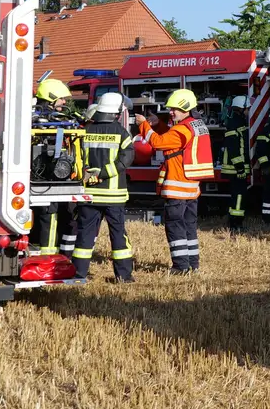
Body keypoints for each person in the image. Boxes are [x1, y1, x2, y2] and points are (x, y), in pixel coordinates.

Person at [134, 89, 211, 273]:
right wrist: (158, 124)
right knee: (189, 229)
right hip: (191, 188)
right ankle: (193, 264)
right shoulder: (195, 125)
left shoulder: (182, 129)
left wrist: (144, 125)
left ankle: (180, 267)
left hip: (177, 187)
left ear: (185, 108)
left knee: (175, 227)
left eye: (175, 109)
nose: (171, 112)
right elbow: (172, 138)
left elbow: (160, 143)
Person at [70, 91, 137, 282]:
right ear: (116, 112)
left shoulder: (86, 131)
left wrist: (92, 174)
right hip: (113, 195)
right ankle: (123, 276)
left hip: (89, 194)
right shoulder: (122, 133)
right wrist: (104, 172)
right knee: (118, 235)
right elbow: (126, 160)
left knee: (85, 236)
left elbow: (77, 160)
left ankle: (78, 275)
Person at [31, 78, 84, 257]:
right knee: (49, 216)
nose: (64, 103)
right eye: (61, 99)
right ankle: (49, 257)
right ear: (50, 97)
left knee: (58, 216)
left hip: (56, 173)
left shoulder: (57, 117)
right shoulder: (39, 118)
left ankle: (56, 254)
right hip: (46, 175)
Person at [219, 94, 250, 232]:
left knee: (238, 196)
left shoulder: (239, 122)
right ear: (241, 108)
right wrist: (240, 168)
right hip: (234, 169)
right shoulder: (234, 124)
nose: (248, 111)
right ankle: (236, 224)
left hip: (237, 168)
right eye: (247, 108)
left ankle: (235, 222)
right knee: (238, 197)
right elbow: (233, 149)